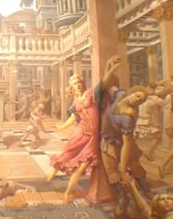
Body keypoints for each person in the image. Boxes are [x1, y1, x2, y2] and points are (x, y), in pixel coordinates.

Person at [46, 56, 122, 204]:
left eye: (79, 82)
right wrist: (61, 127)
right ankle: (54, 171)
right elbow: (73, 117)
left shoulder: (90, 93)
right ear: (72, 87)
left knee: (82, 167)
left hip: (92, 137)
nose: (78, 85)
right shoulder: (75, 101)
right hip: (80, 132)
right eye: (75, 83)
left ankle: (67, 192)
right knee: (67, 154)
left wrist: (112, 70)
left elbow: (103, 83)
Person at [100, 84, 151, 217]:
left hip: (124, 144)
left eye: (141, 100)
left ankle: (145, 187)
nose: (138, 100)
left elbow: (127, 143)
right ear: (131, 92)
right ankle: (123, 199)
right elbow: (109, 85)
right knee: (111, 171)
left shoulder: (129, 116)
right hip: (108, 140)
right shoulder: (120, 94)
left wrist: (122, 168)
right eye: (137, 96)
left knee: (134, 166)